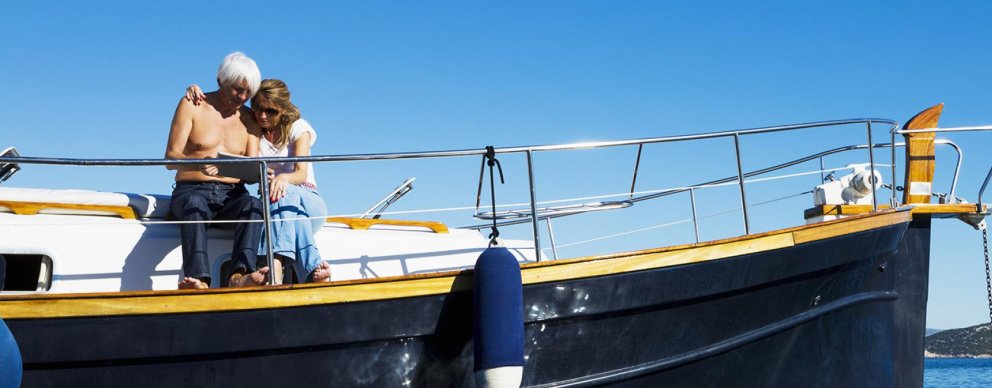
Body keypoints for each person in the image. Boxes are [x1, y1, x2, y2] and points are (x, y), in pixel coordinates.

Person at [187, 79, 331, 284]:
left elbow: (300, 173)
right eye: (258, 109)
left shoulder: (299, 128)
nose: (262, 116)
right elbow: (225, 104)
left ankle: (275, 265)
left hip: (308, 201)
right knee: (288, 212)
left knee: (284, 191)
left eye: (270, 111)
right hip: (278, 209)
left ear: (283, 109)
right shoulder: (254, 130)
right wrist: (197, 92)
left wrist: (283, 178)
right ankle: (313, 268)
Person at [165, 52, 266, 289]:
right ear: (221, 80)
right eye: (236, 89)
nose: (242, 97)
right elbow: (170, 158)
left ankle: (239, 275)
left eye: (247, 92)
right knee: (194, 204)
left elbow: (250, 171)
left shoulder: (250, 119)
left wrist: (260, 173)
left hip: (232, 194)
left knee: (253, 205)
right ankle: (199, 279)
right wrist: (196, 163)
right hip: (191, 190)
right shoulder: (192, 105)